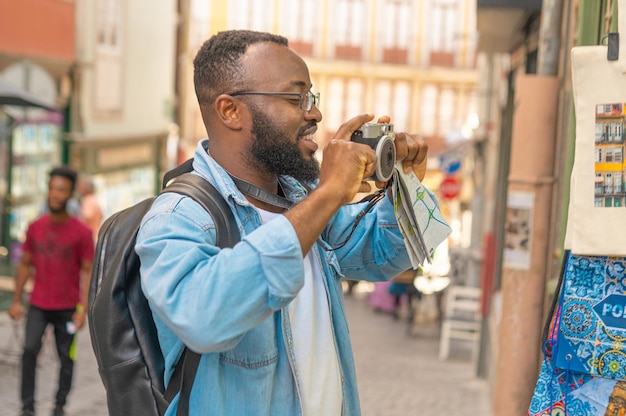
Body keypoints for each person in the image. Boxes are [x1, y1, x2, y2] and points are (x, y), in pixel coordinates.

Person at [135, 30, 428, 415]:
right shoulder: (179, 216)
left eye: (312, 98)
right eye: (296, 98)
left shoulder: (299, 198)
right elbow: (203, 317)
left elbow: (384, 254)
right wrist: (327, 195)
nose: (315, 114)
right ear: (230, 111)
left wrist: (408, 183)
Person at [7, 166, 95, 416]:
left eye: (61, 190)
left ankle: (59, 406)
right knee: (29, 351)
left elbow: (87, 271)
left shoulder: (82, 232)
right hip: (38, 304)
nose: (55, 195)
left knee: (66, 359)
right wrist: (15, 301)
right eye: (52, 189)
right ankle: (27, 407)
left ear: (70, 195)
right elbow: (25, 264)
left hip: (68, 308)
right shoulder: (35, 227)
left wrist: (83, 308)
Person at [76, 175, 103, 241]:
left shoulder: (88, 200)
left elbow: (87, 216)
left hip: (91, 236)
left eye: (81, 186)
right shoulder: (94, 199)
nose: (79, 189)